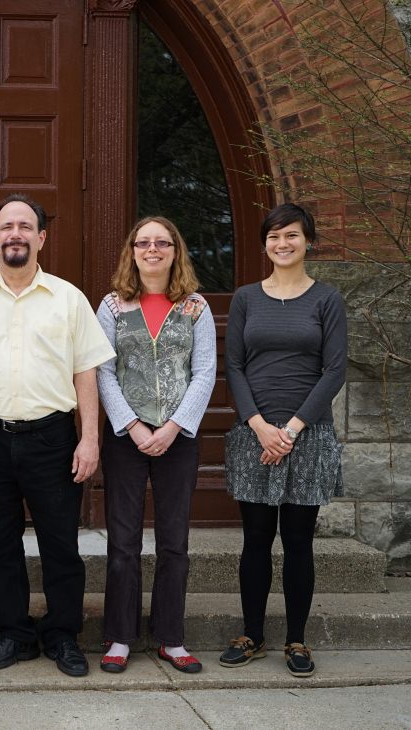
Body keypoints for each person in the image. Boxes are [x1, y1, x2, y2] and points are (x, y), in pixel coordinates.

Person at [0, 194, 114, 678]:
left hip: (52, 438)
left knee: (60, 544)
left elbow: (86, 372)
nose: (15, 234)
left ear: (41, 237)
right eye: (6, 226)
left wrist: (88, 439)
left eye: (25, 226)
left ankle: (63, 635)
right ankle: (12, 632)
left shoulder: (68, 299)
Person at [219, 203, 347, 678]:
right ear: (264, 244)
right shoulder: (247, 298)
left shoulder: (327, 300)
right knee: (255, 540)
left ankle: (297, 639)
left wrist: (292, 429)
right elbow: (233, 366)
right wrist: (258, 425)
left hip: (308, 437)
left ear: (307, 241)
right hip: (254, 435)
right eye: (274, 237)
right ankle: (251, 633)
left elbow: (334, 370)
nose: (283, 244)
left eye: (291, 235)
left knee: (297, 542)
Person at [95, 216, 216, 674]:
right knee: (123, 542)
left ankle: (171, 638)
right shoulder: (111, 306)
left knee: (174, 542)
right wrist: (131, 425)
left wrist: (174, 426)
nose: (151, 250)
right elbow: (102, 369)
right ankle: (120, 637)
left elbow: (204, 371)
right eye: (143, 243)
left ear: (174, 250)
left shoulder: (195, 307)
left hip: (178, 438)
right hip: (127, 437)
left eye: (161, 243)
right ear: (132, 251)